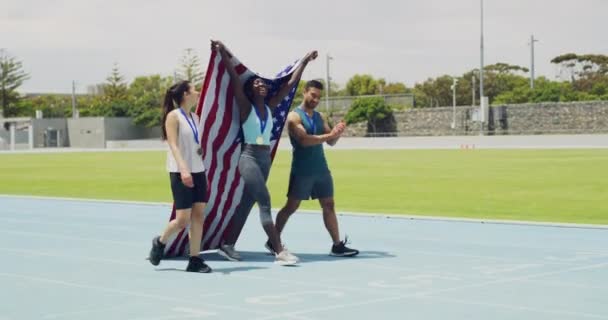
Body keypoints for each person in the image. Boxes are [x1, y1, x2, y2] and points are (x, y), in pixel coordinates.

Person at [211, 40, 317, 265]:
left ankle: (227, 245)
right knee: (265, 201)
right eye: (257, 83)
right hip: (248, 157)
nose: (261, 85)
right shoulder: (245, 106)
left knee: (246, 203)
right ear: (250, 89)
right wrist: (222, 52)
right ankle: (279, 250)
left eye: (263, 84)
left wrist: (305, 61)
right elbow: (234, 78)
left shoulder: (270, 108)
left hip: (264, 159)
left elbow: (289, 83)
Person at [271, 80, 359, 257]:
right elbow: (304, 140)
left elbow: (331, 141)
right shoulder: (294, 117)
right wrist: (330, 134)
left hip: (321, 169)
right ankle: (273, 241)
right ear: (304, 92)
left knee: (329, 204)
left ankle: (337, 245)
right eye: (313, 95)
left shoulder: (319, 117)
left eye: (318, 97)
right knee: (291, 207)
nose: (315, 99)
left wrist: (337, 132)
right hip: (302, 170)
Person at [148, 80, 212, 273]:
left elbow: (193, 143)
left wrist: (198, 153)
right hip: (180, 171)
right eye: (194, 89)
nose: (198, 92)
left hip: (198, 170)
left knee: (199, 216)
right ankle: (160, 242)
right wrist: (184, 169)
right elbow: (173, 145)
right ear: (185, 94)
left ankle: (195, 259)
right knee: (183, 219)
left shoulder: (196, 117)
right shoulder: (173, 117)